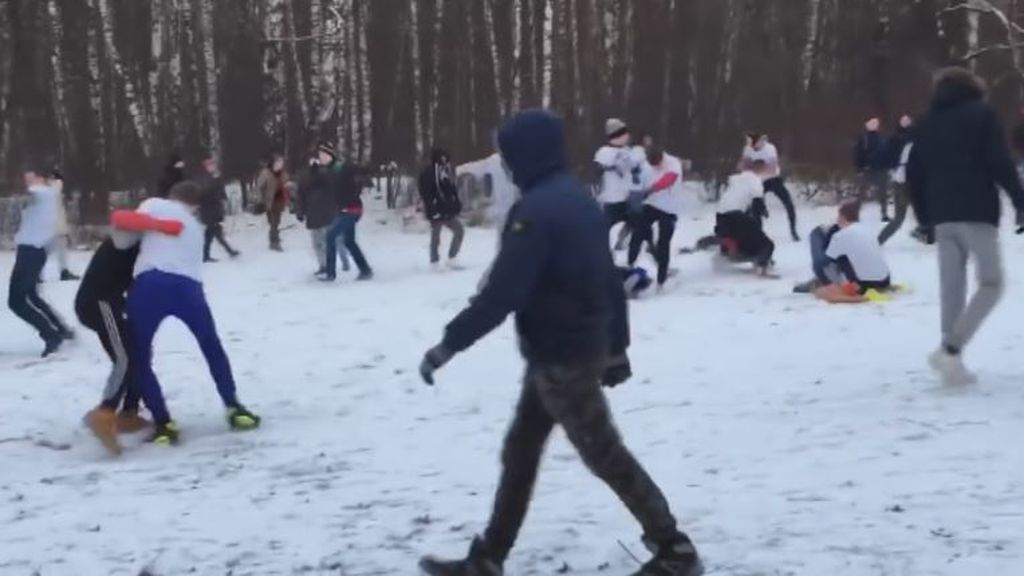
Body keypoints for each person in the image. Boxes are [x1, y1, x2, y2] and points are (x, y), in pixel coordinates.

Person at [417, 109, 702, 576]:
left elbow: (503, 293)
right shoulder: (579, 201)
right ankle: (489, 557)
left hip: (562, 358)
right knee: (521, 451)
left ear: (526, 155)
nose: (506, 165)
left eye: (509, 155)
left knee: (605, 455)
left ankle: (675, 548)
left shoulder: (535, 213)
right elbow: (608, 281)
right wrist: (616, 346)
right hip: (565, 351)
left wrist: (448, 345)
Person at [112, 181, 261, 446]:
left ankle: (163, 422)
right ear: (195, 206)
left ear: (171, 195)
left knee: (140, 355)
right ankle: (234, 406)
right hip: (189, 288)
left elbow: (126, 224)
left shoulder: (155, 204)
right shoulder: (196, 227)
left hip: (150, 284)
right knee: (211, 345)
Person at [907, 67, 1024, 385]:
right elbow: (999, 161)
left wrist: (924, 218)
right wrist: (1019, 200)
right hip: (976, 210)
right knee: (991, 282)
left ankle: (951, 361)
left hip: (942, 214)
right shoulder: (982, 115)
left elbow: (914, 174)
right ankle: (951, 348)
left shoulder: (926, 122)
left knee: (952, 288)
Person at [77, 228, 178, 455]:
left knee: (138, 353)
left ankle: (128, 413)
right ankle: (105, 413)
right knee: (125, 358)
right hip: (99, 303)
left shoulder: (139, 242)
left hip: (111, 303)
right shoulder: (131, 239)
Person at [9, 164, 73, 357]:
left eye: (31, 177)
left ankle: (51, 335)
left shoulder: (41, 193)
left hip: (31, 252)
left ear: (41, 178)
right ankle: (60, 329)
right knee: (31, 295)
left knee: (16, 301)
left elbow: (28, 194)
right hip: (33, 251)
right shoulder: (48, 194)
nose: (27, 180)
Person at [794, 201, 892, 302]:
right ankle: (820, 282)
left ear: (841, 217)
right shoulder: (868, 230)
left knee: (820, 292)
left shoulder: (840, 236)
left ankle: (861, 298)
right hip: (885, 280)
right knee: (843, 258)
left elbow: (822, 264)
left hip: (863, 285)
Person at [316, 142, 373, 282]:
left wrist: (364, 181)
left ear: (330, 155)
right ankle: (365, 270)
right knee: (349, 241)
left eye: (323, 154)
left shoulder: (342, 167)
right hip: (343, 210)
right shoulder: (327, 172)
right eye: (319, 155)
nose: (320, 157)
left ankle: (330, 273)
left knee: (330, 236)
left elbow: (360, 170)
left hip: (353, 209)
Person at [628, 148, 684, 288]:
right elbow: (639, 181)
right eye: (652, 165)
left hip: (670, 208)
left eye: (657, 165)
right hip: (652, 204)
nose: (655, 168)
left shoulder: (673, 163)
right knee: (638, 230)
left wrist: (652, 189)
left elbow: (669, 179)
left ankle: (661, 279)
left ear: (661, 159)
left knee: (663, 242)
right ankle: (630, 263)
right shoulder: (647, 165)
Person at [714, 159, 775, 275]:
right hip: (735, 215)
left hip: (720, 215)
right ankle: (761, 264)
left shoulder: (736, 179)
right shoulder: (755, 179)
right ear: (760, 169)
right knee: (767, 244)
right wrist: (762, 216)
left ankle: (728, 251)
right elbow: (757, 204)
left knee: (743, 234)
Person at [594, 118, 646, 248]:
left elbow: (636, 162)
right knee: (604, 232)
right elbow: (615, 163)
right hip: (611, 199)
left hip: (628, 197)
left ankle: (633, 249)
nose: (628, 136)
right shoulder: (605, 152)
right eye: (624, 133)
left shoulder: (628, 151)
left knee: (641, 226)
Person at [458, 143, 520, 249]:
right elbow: (474, 167)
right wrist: (459, 170)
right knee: (505, 243)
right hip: (502, 214)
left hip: (517, 212)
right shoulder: (493, 161)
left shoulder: (521, 161)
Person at [296, 151, 348, 275]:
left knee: (329, 240)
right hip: (315, 214)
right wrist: (300, 211)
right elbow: (301, 195)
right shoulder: (305, 176)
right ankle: (324, 265)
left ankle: (335, 262)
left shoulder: (327, 174)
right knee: (318, 242)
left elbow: (336, 189)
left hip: (327, 213)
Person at [742, 133, 800, 241]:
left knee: (788, 204)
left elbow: (771, 169)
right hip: (757, 182)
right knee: (753, 208)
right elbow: (744, 168)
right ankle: (757, 234)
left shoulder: (770, 148)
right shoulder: (748, 149)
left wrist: (755, 166)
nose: (755, 146)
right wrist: (759, 165)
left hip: (774, 180)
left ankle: (793, 231)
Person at [419, 147, 466, 269]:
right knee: (436, 235)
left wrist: (456, 204)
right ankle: (434, 261)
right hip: (436, 209)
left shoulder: (446, 172)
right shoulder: (429, 173)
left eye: (445, 157)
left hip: (447, 209)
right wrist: (431, 208)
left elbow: (451, 190)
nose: (444, 160)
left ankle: (452, 257)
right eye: (442, 157)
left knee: (459, 230)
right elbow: (426, 193)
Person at [879, 115, 916, 245]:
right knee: (899, 217)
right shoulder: (895, 139)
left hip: (912, 180)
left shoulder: (915, 139)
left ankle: (927, 233)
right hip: (901, 180)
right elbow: (887, 157)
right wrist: (893, 169)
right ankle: (878, 240)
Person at [196, 156, 239, 262]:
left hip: (215, 208)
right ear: (205, 167)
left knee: (209, 234)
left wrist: (224, 198)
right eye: (209, 165)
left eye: (213, 165)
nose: (212, 167)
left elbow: (220, 190)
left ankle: (205, 256)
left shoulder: (216, 177)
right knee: (216, 232)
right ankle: (230, 251)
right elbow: (205, 193)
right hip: (207, 209)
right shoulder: (204, 178)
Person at [854, 117, 892, 222]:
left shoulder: (882, 138)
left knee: (883, 193)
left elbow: (887, 153)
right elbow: (858, 154)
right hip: (867, 169)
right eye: (871, 123)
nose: (873, 125)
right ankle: (855, 214)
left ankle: (884, 214)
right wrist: (859, 169)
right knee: (861, 193)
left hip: (880, 170)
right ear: (867, 125)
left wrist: (888, 166)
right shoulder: (863, 138)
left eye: (875, 123)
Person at [47, 168, 80, 281]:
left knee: (49, 250)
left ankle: (37, 274)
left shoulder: (47, 191)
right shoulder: (56, 187)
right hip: (57, 228)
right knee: (58, 250)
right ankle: (63, 271)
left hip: (51, 227)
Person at [256, 153, 290, 251]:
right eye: (279, 162)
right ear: (274, 163)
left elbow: (286, 183)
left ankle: (274, 238)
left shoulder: (283, 173)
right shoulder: (266, 173)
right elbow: (259, 187)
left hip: (280, 200)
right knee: (273, 222)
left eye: (282, 163)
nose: (280, 165)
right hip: (270, 202)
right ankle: (274, 243)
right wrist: (261, 199)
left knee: (276, 222)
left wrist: (288, 186)